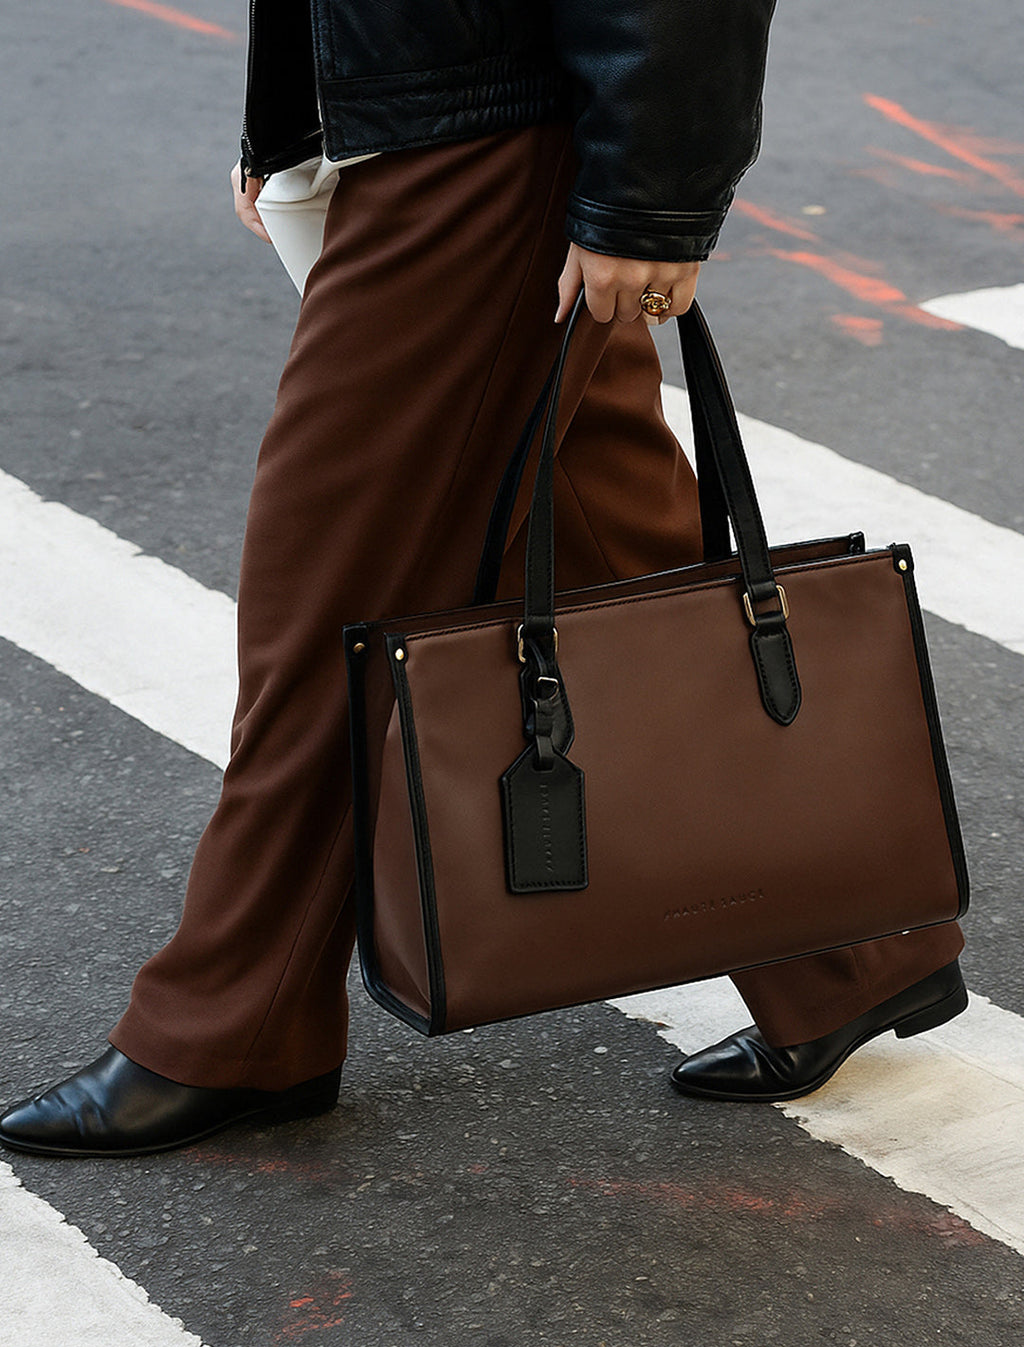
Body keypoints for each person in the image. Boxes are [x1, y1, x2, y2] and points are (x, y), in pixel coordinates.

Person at [0, 0, 966, 1157]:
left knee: (333, 589)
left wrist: (649, 198)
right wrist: (291, 122)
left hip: (485, 144)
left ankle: (229, 1027)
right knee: (596, 530)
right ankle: (848, 953)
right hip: (433, 115)